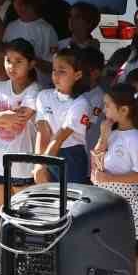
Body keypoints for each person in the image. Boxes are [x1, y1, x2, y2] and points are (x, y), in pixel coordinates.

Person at [90, 84, 138, 275]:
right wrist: (103, 138)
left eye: (108, 105)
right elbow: (97, 164)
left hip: (126, 201)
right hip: (107, 199)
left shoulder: (135, 138)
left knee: (129, 249)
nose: (104, 110)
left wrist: (111, 179)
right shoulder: (114, 133)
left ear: (124, 110)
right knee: (109, 247)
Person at [0, 38, 42, 210]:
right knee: (2, 210)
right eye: (8, 60)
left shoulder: (35, 90)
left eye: (18, 61)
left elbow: (21, 117)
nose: (11, 66)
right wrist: (5, 116)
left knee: (24, 213)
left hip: (22, 164)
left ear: (31, 64)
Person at [35, 47, 87, 184]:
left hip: (71, 156)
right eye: (54, 70)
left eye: (62, 71)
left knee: (71, 201)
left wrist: (42, 164)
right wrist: (38, 163)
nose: (56, 75)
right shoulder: (43, 96)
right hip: (48, 154)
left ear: (77, 75)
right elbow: (43, 131)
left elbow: (60, 137)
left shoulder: (81, 103)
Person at [5, 0, 59, 81]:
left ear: (34, 1)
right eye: (15, 0)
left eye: (23, 1)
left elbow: (53, 67)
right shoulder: (11, 27)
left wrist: (29, 58)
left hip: (40, 88)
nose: (18, 5)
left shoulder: (47, 30)